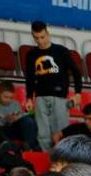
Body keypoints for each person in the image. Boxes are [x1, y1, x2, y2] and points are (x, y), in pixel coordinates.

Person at [23, 21, 82, 151]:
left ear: (48, 34)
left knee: (60, 133)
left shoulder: (61, 51)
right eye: (36, 38)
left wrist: (78, 93)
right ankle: (47, 159)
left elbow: (76, 72)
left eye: (42, 37)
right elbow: (30, 78)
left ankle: (62, 158)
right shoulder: (31, 54)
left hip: (59, 96)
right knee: (43, 135)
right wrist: (29, 98)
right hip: (40, 97)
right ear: (33, 36)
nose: (40, 41)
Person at [0, 81, 39, 151]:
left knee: (29, 119)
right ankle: (30, 147)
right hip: (3, 130)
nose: (8, 100)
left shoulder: (15, 104)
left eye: (11, 97)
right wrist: (5, 120)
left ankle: (31, 146)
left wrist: (17, 117)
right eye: (6, 97)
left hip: (15, 128)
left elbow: (20, 118)